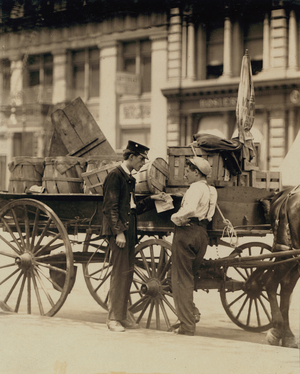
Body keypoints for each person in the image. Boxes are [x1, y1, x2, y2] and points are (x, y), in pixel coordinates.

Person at [102, 140, 166, 332]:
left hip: (128, 228)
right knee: (119, 273)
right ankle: (113, 318)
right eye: (141, 158)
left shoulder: (128, 178)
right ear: (131, 157)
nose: (143, 163)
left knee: (127, 273)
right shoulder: (115, 176)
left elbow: (133, 208)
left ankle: (123, 315)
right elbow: (110, 208)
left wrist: (151, 199)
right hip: (119, 230)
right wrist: (119, 232)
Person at [170, 156, 218, 336]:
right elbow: (210, 214)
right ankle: (190, 313)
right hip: (201, 235)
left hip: (187, 233)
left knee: (181, 279)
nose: (186, 175)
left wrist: (175, 218)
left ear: (196, 172)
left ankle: (187, 326)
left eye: (188, 171)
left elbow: (189, 209)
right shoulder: (211, 190)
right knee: (188, 277)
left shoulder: (195, 188)